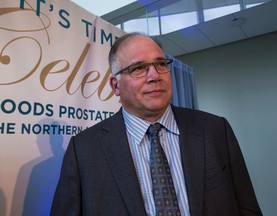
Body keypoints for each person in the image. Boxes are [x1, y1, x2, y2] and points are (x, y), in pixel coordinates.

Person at [50, 32, 262, 216]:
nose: (154, 76)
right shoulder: (84, 150)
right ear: (116, 85)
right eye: (138, 68)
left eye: (160, 64)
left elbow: (247, 208)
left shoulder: (216, 131)